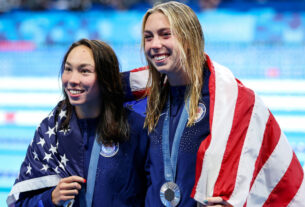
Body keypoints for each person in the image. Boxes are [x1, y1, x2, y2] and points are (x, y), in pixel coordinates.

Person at [122, 1, 305, 206]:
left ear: (189, 38)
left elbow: (267, 177)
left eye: (166, 34)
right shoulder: (148, 102)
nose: (155, 44)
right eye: (148, 37)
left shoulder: (230, 103)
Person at [7, 39, 148, 207]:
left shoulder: (134, 128)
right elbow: (19, 204)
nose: (73, 79)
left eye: (85, 71)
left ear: (105, 78)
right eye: (68, 69)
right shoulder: (50, 131)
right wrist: (50, 199)